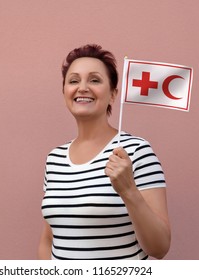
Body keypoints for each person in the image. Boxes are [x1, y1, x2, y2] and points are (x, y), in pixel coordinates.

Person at [38, 44, 171, 260]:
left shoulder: (136, 151)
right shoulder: (54, 158)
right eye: (73, 81)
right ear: (64, 92)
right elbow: (48, 240)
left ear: (112, 94)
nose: (82, 87)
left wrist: (128, 190)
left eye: (94, 80)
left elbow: (160, 247)